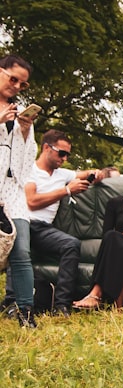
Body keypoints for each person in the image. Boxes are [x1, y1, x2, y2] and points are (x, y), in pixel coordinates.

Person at [24, 130, 105, 316]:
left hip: (44, 230)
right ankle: (14, 303)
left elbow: (83, 173)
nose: (65, 158)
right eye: (62, 153)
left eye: (68, 154)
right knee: (20, 252)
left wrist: (96, 174)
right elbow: (32, 201)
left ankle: (61, 305)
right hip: (25, 223)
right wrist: (66, 191)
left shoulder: (63, 174)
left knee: (71, 244)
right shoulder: (29, 169)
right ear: (46, 148)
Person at [72, 160, 123, 309]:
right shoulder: (115, 203)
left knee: (116, 241)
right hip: (120, 245)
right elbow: (106, 234)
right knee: (114, 239)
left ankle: (95, 295)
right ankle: (117, 307)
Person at [0, 54, 39, 327]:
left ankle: (26, 311)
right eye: (12, 78)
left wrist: (25, 131)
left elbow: (25, 163)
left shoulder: (17, 112)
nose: (16, 86)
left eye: (22, 84)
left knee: (22, 252)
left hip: (14, 191)